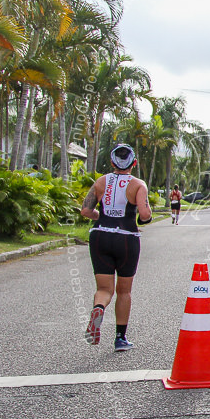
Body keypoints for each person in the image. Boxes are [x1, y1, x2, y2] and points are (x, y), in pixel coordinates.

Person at [79, 143, 153, 352]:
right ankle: (120, 338)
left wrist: (100, 216)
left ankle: (98, 307)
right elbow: (145, 215)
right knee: (124, 291)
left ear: (112, 162)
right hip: (126, 238)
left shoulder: (101, 181)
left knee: (104, 289)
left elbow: (85, 210)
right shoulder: (138, 185)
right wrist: (143, 218)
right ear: (134, 163)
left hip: (100, 235)